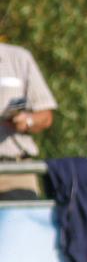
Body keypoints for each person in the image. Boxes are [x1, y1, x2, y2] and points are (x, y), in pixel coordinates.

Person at [0, 43, 56, 200]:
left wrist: (28, 121)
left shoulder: (19, 58)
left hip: (14, 171)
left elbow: (46, 115)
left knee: (21, 224)